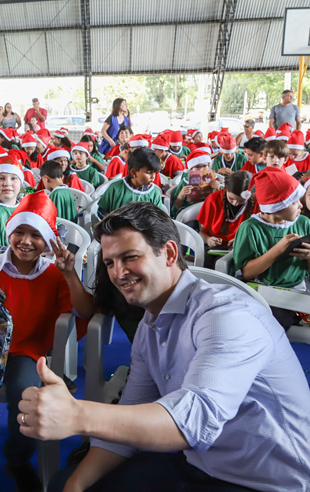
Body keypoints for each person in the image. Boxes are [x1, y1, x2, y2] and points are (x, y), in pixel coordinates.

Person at [28, 201, 310, 492]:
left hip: (271, 483)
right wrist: (74, 486)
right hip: (201, 465)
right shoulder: (150, 327)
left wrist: (77, 416)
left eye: (130, 257)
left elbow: (192, 422)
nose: (118, 273)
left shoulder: (227, 314)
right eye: (110, 262)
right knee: (68, 483)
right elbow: (127, 419)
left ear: (170, 253)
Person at [0, 190, 93, 492]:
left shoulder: (54, 277)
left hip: (26, 353)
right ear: (9, 232)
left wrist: (70, 275)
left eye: (36, 235)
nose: (26, 241)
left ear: (49, 241)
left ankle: (17, 459)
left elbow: (85, 311)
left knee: (25, 401)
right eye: (20, 232)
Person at [230, 167, 310, 327]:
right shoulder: (250, 228)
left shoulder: (304, 223)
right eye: (294, 202)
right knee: (275, 322)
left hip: (297, 289)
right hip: (264, 289)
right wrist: (277, 250)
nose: (300, 205)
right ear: (276, 206)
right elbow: (247, 272)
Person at [197, 171, 256, 269]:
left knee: (226, 264)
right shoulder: (213, 199)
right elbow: (201, 233)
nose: (235, 203)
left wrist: (241, 241)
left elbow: (257, 236)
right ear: (225, 189)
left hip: (242, 248)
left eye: (241, 201)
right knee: (206, 261)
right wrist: (208, 239)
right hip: (214, 246)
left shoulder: (255, 203)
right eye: (231, 198)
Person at [97, 148, 163, 219]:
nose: (153, 177)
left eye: (155, 173)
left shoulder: (155, 193)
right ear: (134, 173)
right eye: (149, 173)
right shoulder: (115, 188)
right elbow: (101, 211)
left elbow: (157, 218)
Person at [171, 150, 219, 217]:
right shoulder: (185, 182)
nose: (201, 170)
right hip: (189, 212)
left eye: (204, 166)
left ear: (208, 166)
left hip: (209, 212)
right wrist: (182, 194)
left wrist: (217, 189)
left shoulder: (214, 180)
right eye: (197, 167)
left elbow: (219, 203)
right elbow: (176, 206)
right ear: (191, 169)